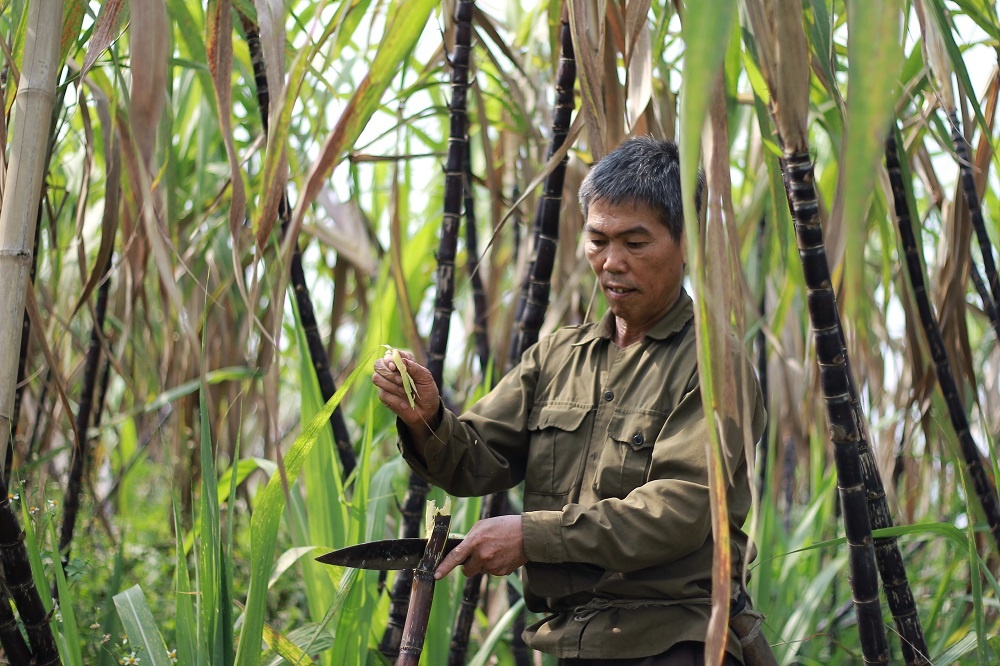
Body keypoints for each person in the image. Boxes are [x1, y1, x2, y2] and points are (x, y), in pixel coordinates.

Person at [372, 136, 766, 665]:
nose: (611, 263)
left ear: (688, 243)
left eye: (636, 242)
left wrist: (532, 536)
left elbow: (678, 511)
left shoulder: (716, 365)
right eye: (598, 240)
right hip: (572, 645)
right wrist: (427, 419)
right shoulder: (558, 356)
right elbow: (474, 461)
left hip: (674, 642)